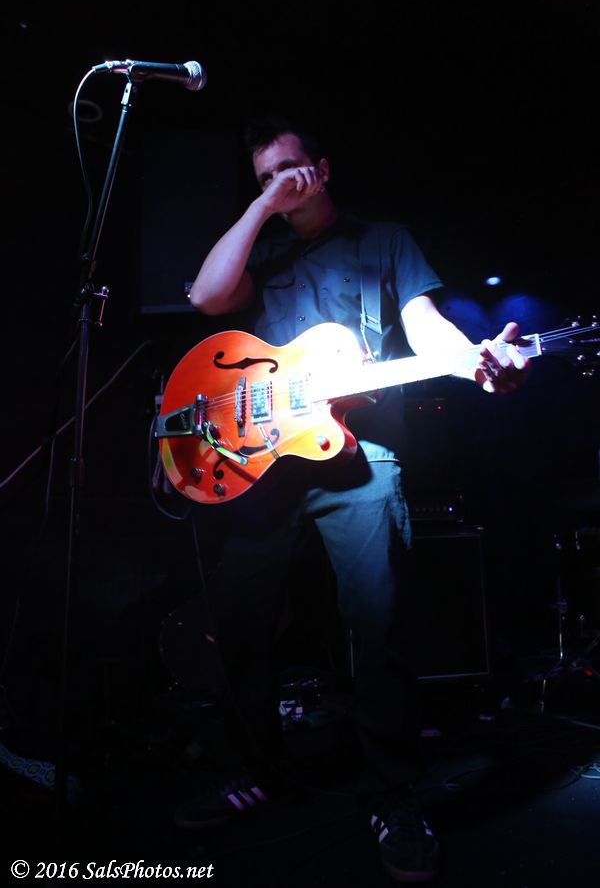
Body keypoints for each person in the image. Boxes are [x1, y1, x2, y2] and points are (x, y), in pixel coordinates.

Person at [177, 115, 530, 883]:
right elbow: (206, 298)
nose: (281, 182)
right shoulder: (260, 250)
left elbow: (426, 328)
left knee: (377, 622)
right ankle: (252, 771)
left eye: (290, 167)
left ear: (324, 168)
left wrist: (474, 360)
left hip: (361, 455)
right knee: (240, 620)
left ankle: (395, 794)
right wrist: (260, 208)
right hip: (266, 464)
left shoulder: (384, 241)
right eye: (265, 175)